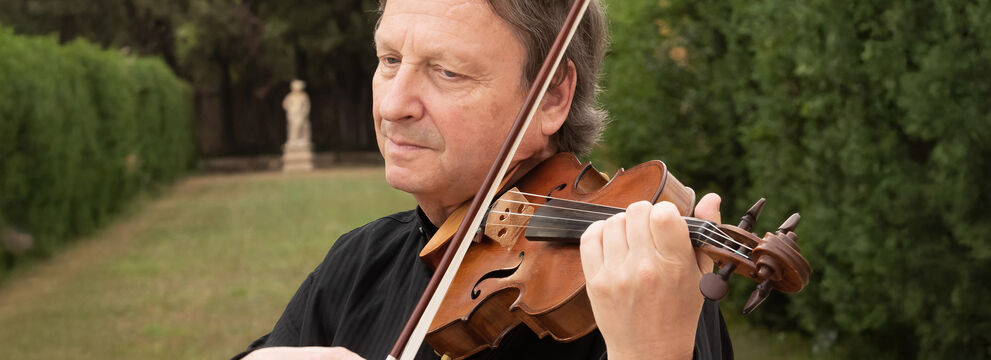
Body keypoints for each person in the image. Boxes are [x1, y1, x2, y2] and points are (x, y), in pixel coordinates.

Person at [235, 0, 732, 359]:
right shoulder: (359, 261)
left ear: (552, 97)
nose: (393, 105)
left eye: (447, 72)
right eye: (390, 61)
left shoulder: (646, 292)